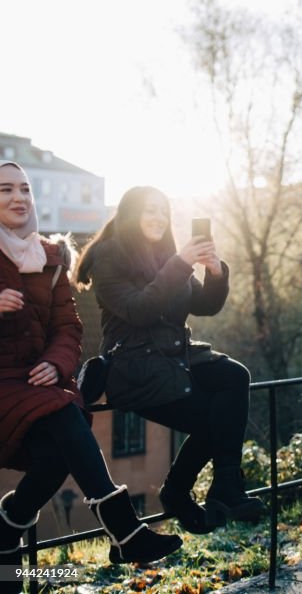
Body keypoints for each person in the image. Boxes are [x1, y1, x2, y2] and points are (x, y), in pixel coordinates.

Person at [0, 163, 181, 590]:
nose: (18, 197)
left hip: (38, 381)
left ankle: (8, 533)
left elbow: (68, 326)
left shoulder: (51, 256)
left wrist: (57, 364)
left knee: (58, 450)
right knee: (68, 414)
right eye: (5, 189)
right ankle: (124, 530)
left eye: (25, 188)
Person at [74, 187, 263, 534]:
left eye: (164, 211)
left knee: (235, 376)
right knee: (211, 419)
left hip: (176, 356)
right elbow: (139, 310)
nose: (159, 218)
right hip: (135, 368)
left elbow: (204, 304)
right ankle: (178, 490)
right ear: (131, 214)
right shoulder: (109, 257)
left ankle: (226, 485)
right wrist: (180, 263)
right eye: (150, 211)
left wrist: (215, 271)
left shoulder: (165, 254)